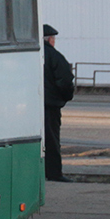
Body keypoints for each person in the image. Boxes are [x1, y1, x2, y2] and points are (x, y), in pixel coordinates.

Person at [42, 24, 75, 182]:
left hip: (32, 107)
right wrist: (65, 97)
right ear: (50, 40)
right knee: (52, 140)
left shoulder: (34, 55)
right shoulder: (54, 56)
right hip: (51, 106)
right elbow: (66, 80)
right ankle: (54, 173)